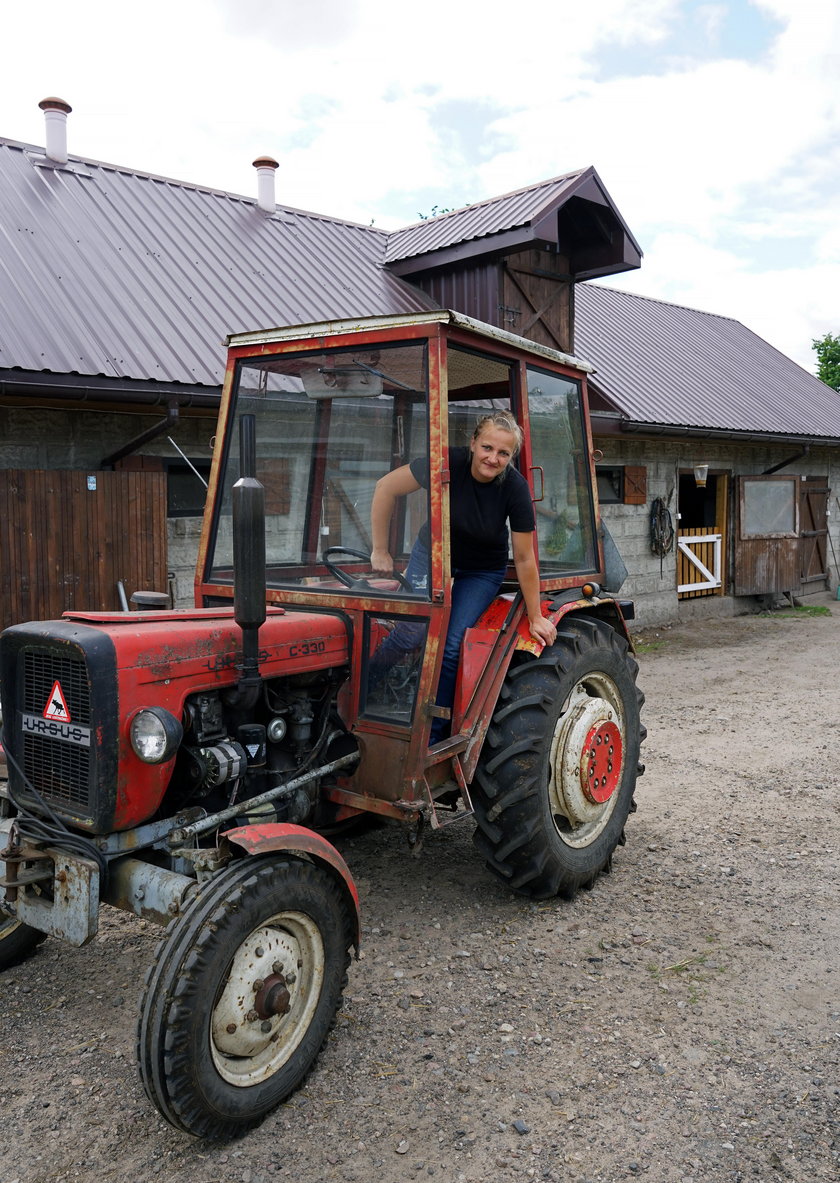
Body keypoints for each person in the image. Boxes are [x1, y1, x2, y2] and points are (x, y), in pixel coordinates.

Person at [370, 411, 558, 743]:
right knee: (410, 634)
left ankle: (432, 736)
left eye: (503, 453)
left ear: (510, 457)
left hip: (481, 569)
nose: (493, 458)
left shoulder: (514, 488)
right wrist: (380, 550)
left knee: (453, 644)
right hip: (433, 554)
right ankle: (361, 696)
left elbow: (526, 557)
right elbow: (386, 487)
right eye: (487, 447)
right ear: (472, 443)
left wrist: (536, 615)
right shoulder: (448, 462)